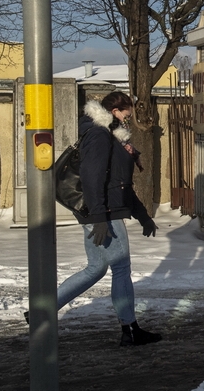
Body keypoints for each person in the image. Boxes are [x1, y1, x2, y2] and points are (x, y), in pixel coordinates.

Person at [56, 91, 162, 347]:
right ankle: (131, 330)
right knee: (121, 269)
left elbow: (120, 184)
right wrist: (99, 217)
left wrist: (143, 216)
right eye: (128, 112)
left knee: (96, 269)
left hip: (104, 211)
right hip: (104, 213)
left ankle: (41, 311)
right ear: (116, 111)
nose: (129, 118)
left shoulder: (111, 135)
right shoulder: (99, 134)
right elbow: (92, 177)